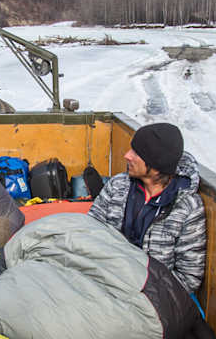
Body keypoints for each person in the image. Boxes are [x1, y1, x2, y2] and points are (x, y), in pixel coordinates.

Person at [88, 122, 206, 293]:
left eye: (136, 152)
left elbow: (189, 278)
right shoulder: (118, 185)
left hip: (150, 296)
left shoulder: (187, 207)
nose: (127, 155)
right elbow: (89, 230)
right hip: (103, 278)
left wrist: (140, 290)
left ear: (156, 164)